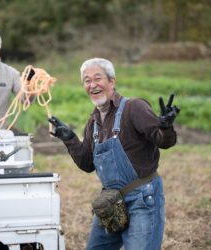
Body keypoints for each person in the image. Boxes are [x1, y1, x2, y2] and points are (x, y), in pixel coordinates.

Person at [48, 58, 180, 249]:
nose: (92, 85)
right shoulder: (93, 122)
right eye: (87, 80)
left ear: (112, 81)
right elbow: (87, 164)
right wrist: (70, 139)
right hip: (111, 201)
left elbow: (164, 141)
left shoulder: (134, 107)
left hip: (143, 197)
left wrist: (166, 127)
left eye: (97, 78)